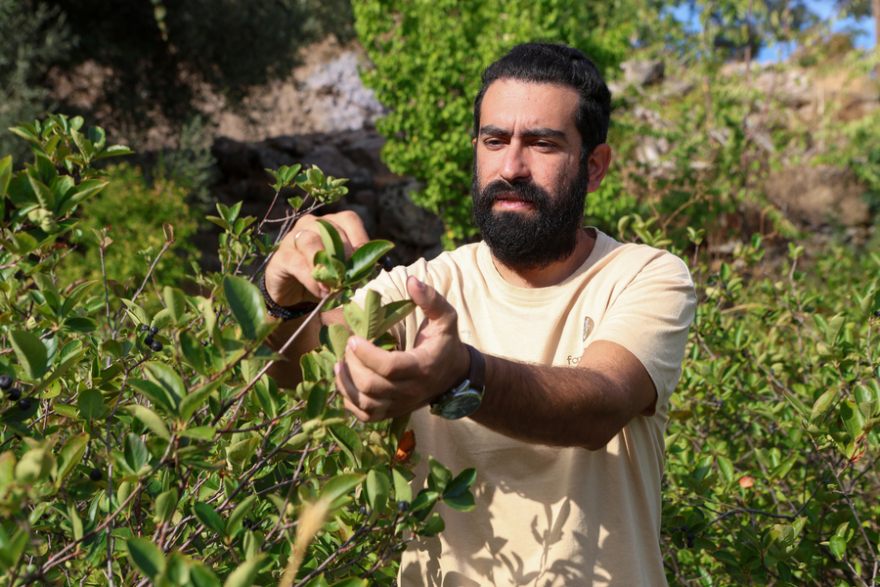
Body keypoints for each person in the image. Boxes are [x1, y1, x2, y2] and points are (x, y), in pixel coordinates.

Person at [264, 43, 696, 587]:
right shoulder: (422, 287)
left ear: (593, 167)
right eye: (495, 141)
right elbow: (301, 372)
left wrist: (460, 376)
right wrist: (285, 301)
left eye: (542, 143)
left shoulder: (645, 276)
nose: (512, 167)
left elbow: (599, 405)